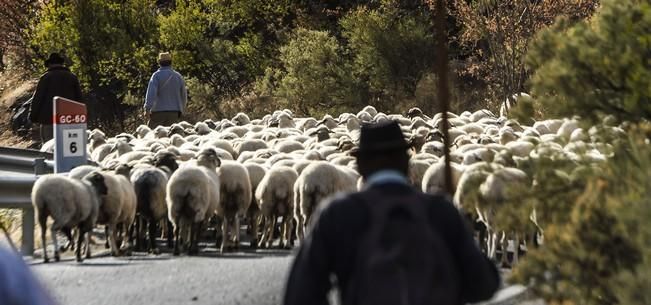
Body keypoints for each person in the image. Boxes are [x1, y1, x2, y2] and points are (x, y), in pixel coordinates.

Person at [284, 121, 500, 305]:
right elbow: (484, 284)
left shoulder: (338, 213)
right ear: (407, 161)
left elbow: (301, 293)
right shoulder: (440, 211)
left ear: (359, 165)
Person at [29, 52, 83, 145]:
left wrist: (33, 117)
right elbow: (80, 100)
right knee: (67, 148)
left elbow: (38, 99)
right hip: (69, 120)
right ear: (62, 64)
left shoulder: (46, 77)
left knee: (49, 148)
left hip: (49, 120)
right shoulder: (72, 77)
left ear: (49, 64)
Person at [144, 52, 187, 128]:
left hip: (158, 112)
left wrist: (147, 108)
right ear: (170, 62)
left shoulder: (156, 76)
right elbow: (183, 95)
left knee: (153, 136)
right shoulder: (178, 76)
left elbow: (151, 93)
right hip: (174, 112)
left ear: (159, 63)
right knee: (170, 137)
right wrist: (182, 109)